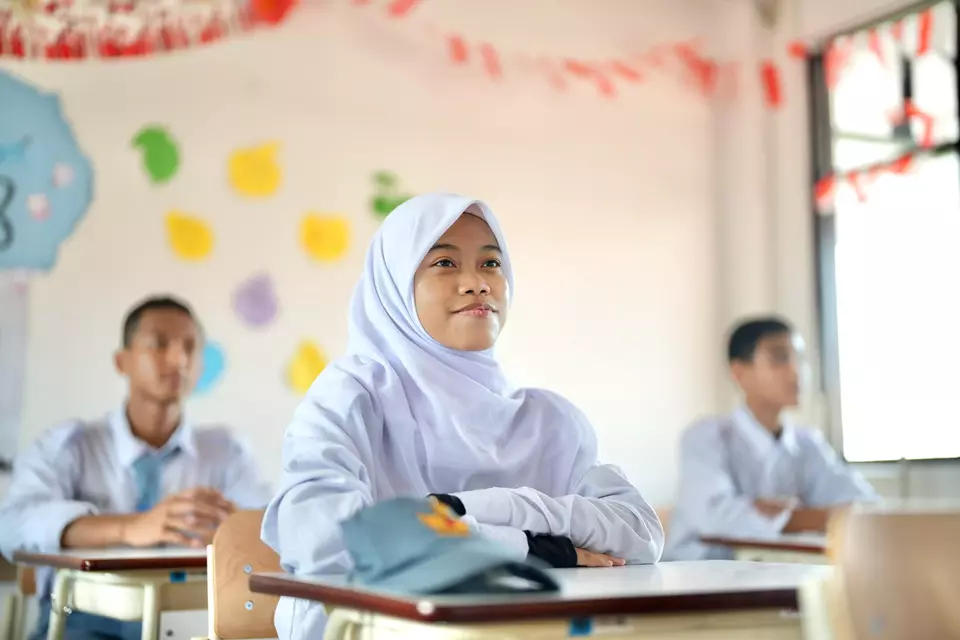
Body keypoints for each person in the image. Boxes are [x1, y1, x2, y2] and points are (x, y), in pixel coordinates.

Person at [261, 192, 664, 639]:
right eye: (444, 264)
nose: (477, 283)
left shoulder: (550, 420)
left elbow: (641, 535)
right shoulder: (352, 394)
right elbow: (326, 537)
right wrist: (528, 546)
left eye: (491, 263)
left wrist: (466, 511)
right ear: (394, 285)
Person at [0, 296, 271, 640]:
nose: (179, 360)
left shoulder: (227, 452)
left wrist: (236, 532)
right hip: (74, 620)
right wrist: (130, 527)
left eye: (190, 347)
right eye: (158, 344)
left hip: (189, 625)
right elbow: (9, 526)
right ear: (121, 361)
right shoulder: (70, 445)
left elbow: (271, 534)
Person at [664, 316, 879, 561]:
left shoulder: (807, 443)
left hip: (774, 572)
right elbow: (714, 516)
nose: (796, 370)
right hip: (699, 579)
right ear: (739, 372)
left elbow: (864, 504)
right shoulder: (706, 436)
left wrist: (773, 512)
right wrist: (807, 516)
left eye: (799, 357)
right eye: (780, 358)